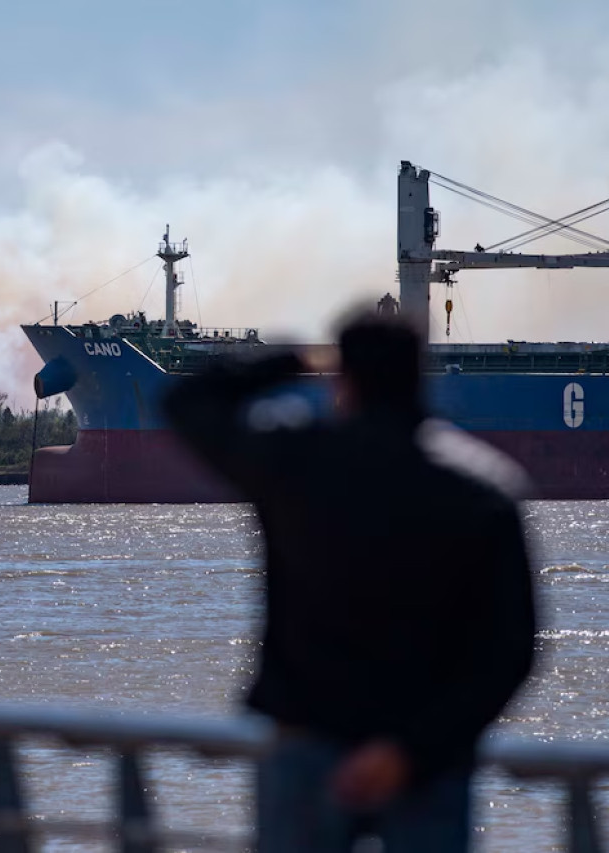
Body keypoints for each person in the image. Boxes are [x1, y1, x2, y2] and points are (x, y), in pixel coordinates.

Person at [163, 310, 537, 852]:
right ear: (419, 375)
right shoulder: (485, 488)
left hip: (307, 746)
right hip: (425, 765)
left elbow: (187, 403)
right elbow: (511, 650)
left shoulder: (294, 462)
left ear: (345, 377)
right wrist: (414, 749)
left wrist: (294, 357)